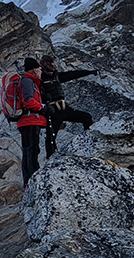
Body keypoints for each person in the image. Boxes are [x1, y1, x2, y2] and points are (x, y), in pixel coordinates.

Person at [38, 54, 96, 157]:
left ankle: (90, 144)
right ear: (45, 64)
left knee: (86, 117)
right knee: (51, 136)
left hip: (65, 109)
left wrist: (88, 72)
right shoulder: (39, 80)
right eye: (51, 63)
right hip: (53, 111)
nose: (54, 65)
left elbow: (72, 74)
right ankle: (50, 159)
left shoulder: (56, 76)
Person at [13, 57, 48, 185]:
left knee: (28, 152)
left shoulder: (28, 81)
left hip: (26, 121)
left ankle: (28, 183)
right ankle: (34, 182)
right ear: (34, 70)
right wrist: (43, 107)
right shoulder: (28, 81)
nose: (41, 71)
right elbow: (28, 101)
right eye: (39, 68)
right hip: (30, 120)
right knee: (32, 151)